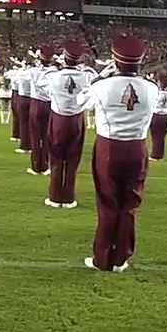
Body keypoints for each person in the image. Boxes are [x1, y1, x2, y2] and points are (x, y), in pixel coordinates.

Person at [78, 34, 157, 272]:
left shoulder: (102, 86)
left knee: (107, 203)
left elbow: (81, 102)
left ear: (115, 59)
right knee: (129, 203)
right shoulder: (152, 88)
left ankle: (102, 258)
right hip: (138, 147)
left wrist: (100, 77)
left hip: (109, 146)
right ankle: (121, 257)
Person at [44, 40, 94, 208]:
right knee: (73, 159)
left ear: (64, 58)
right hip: (77, 119)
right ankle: (69, 198)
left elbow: (41, 86)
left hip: (58, 119)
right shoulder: (87, 75)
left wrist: (56, 66)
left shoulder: (52, 75)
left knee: (56, 159)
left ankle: (55, 197)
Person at [27, 48, 55, 175]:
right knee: (47, 136)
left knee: (35, 137)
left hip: (36, 104)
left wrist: (34, 59)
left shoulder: (32, 71)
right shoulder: (55, 71)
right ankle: (46, 165)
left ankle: (36, 166)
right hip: (50, 105)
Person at [12, 59, 34, 154]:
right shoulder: (35, 74)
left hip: (23, 98)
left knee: (24, 123)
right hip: (34, 99)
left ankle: (25, 146)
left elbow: (15, 81)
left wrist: (22, 67)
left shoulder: (21, 74)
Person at [149, 73, 167, 161]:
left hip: (156, 115)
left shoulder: (156, 93)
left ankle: (155, 155)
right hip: (165, 116)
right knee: (161, 137)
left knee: (155, 136)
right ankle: (160, 154)